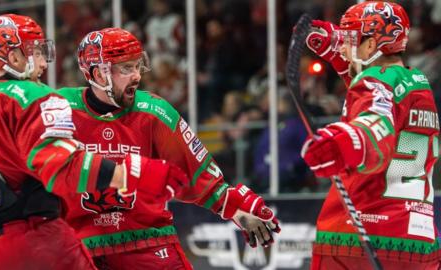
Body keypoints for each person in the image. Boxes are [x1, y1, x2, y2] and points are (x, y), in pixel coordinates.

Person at [0, 14, 189, 270]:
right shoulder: (33, 96)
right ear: (14, 58)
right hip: (33, 242)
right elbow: (62, 165)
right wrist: (130, 174)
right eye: (36, 52)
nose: (43, 63)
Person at [56, 27, 281, 269]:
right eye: (126, 68)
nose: (137, 76)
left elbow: (194, 173)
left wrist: (234, 206)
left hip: (146, 241)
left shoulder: (155, 112)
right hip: (80, 246)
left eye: (137, 66)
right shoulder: (59, 110)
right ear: (98, 74)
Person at [302, 2, 441, 269]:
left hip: (359, 237)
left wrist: (344, 142)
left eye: (350, 39)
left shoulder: (374, 81)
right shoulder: (417, 83)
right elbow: (376, 97)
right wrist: (338, 54)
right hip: (419, 239)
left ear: (371, 45)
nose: (343, 46)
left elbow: (376, 126)